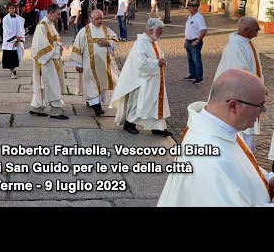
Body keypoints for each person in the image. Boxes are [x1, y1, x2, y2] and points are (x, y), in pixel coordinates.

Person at [158, 68, 273, 207]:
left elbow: (242, 169)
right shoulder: (211, 161)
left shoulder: (221, 127)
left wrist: (268, 179)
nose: (263, 111)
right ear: (234, 106)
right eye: (260, 105)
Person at [109, 18, 170, 136]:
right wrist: (157, 62)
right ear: (151, 30)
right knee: (137, 102)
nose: (161, 33)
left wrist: (162, 61)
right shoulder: (141, 42)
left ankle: (157, 127)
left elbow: (158, 56)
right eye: (159, 30)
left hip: (154, 79)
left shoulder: (154, 41)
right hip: (140, 80)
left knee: (155, 103)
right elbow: (141, 63)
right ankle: (129, 124)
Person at [212, 17, 262, 153]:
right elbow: (240, 74)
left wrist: (261, 87)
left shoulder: (249, 43)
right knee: (242, 132)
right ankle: (243, 161)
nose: (259, 30)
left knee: (248, 133)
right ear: (247, 30)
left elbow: (254, 69)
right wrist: (258, 88)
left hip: (251, 94)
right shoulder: (235, 47)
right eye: (256, 28)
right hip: (241, 97)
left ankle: (247, 159)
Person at [71, 9, 119, 116]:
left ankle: (92, 101)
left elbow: (116, 41)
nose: (100, 21)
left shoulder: (106, 30)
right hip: (89, 65)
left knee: (100, 84)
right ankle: (97, 107)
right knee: (91, 84)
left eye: (101, 18)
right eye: (97, 19)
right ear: (91, 19)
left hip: (103, 64)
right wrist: (78, 64)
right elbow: (77, 47)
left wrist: (108, 43)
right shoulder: (84, 31)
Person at [30, 4, 68, 119]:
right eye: (57, 14)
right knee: (52, 84)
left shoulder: (50, 24)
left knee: (44, 84)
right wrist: (57, 49)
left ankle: (36, 106)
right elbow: (40, 46)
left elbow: (56, 39)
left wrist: (59, 45)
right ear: (50, 13)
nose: (59, 17)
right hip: (46, 61)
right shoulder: (42, 26)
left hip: (52, 59)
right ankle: (56, 110)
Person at [183, 0, 207, 85]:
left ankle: (199, 78)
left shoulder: (199, 18)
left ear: (195, 7)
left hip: (194, 42)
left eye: (190, 7)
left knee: (196, 60)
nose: (188, 9)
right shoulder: (191, 17)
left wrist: (197, 41)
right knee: (190, 60)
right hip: (189, 41)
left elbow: (204, 30)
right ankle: (192, 74)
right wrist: (186, 41)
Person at [2, 2, 25, 79]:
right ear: (8, 10)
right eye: (10, 8)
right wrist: (14, 37)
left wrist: (18, 39)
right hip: (9, 40)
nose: (12, 10)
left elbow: (20, 28)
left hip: (17, 39)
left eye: (13, 8)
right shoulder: (5, 19)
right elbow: (6, 29)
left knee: (16, 56)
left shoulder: (18, 18)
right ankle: (13, 71)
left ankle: (13, 68)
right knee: (10, 56)